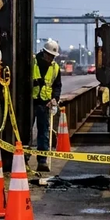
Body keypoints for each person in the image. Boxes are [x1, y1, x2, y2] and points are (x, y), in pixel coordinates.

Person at [32, 40, 62, 172]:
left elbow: (57, 86)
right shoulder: (32, 62)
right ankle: (24, 159)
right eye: (49, 55)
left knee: (44, 133)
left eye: (53, 56)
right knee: (26, 132)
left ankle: (42, 161)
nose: (51, 58)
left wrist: (55, 99)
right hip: (31, 102)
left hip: (45, 104)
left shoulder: (55, 68)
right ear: (43, 53)